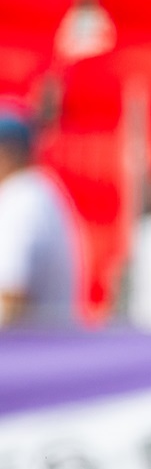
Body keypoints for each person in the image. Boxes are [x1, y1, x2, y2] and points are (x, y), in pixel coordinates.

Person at [0, 107, 81, 328]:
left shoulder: (21, 200)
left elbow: (10, 300)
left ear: (7, 153)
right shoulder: (38, 193)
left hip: (26, 354)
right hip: (47, 349)